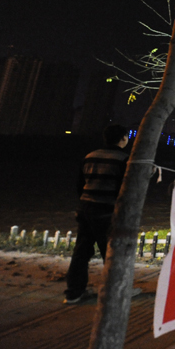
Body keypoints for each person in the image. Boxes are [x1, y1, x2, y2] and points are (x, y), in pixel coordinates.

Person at [63, 124, 129, 303]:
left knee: (81, 252)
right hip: (106, 213)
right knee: (111, 253)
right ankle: (114, 292)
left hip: (85, 210)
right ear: (123, 138)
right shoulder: (124, 160)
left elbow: (79, 185)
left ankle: (73, 293)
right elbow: (125, 190)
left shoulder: (89, 157)